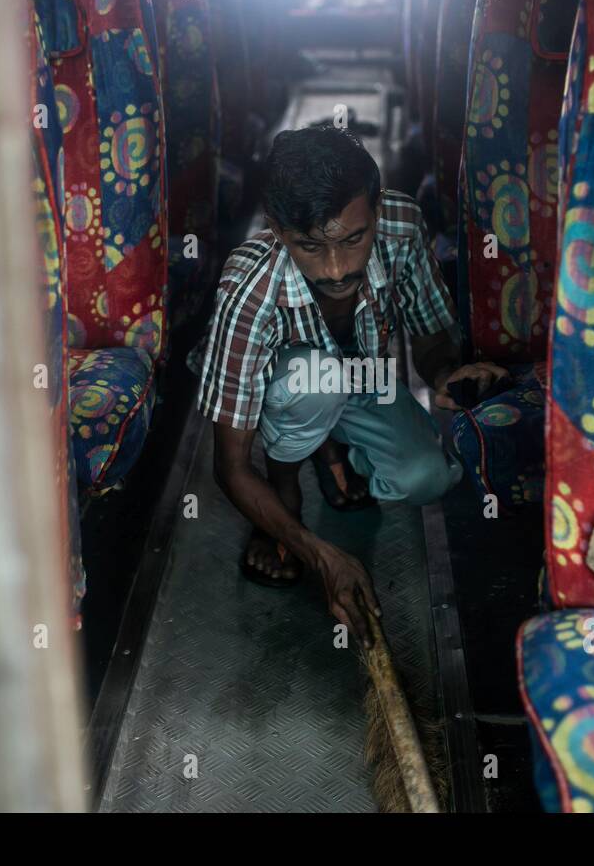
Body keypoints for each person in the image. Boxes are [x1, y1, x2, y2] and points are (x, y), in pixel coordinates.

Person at [195, 126, 504, 646]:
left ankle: (333, 450)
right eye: (310, 246)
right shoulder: (247, 292)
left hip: (366, 376)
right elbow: (229, 464)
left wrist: (445, 375)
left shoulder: (402, 227)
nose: (337, 269)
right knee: (314, 382)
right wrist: (319, 553)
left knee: (428, 477)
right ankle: (286, 494)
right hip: (289, 387)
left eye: (353, 239)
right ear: (275, 227)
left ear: (377, 210)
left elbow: (430, 339)